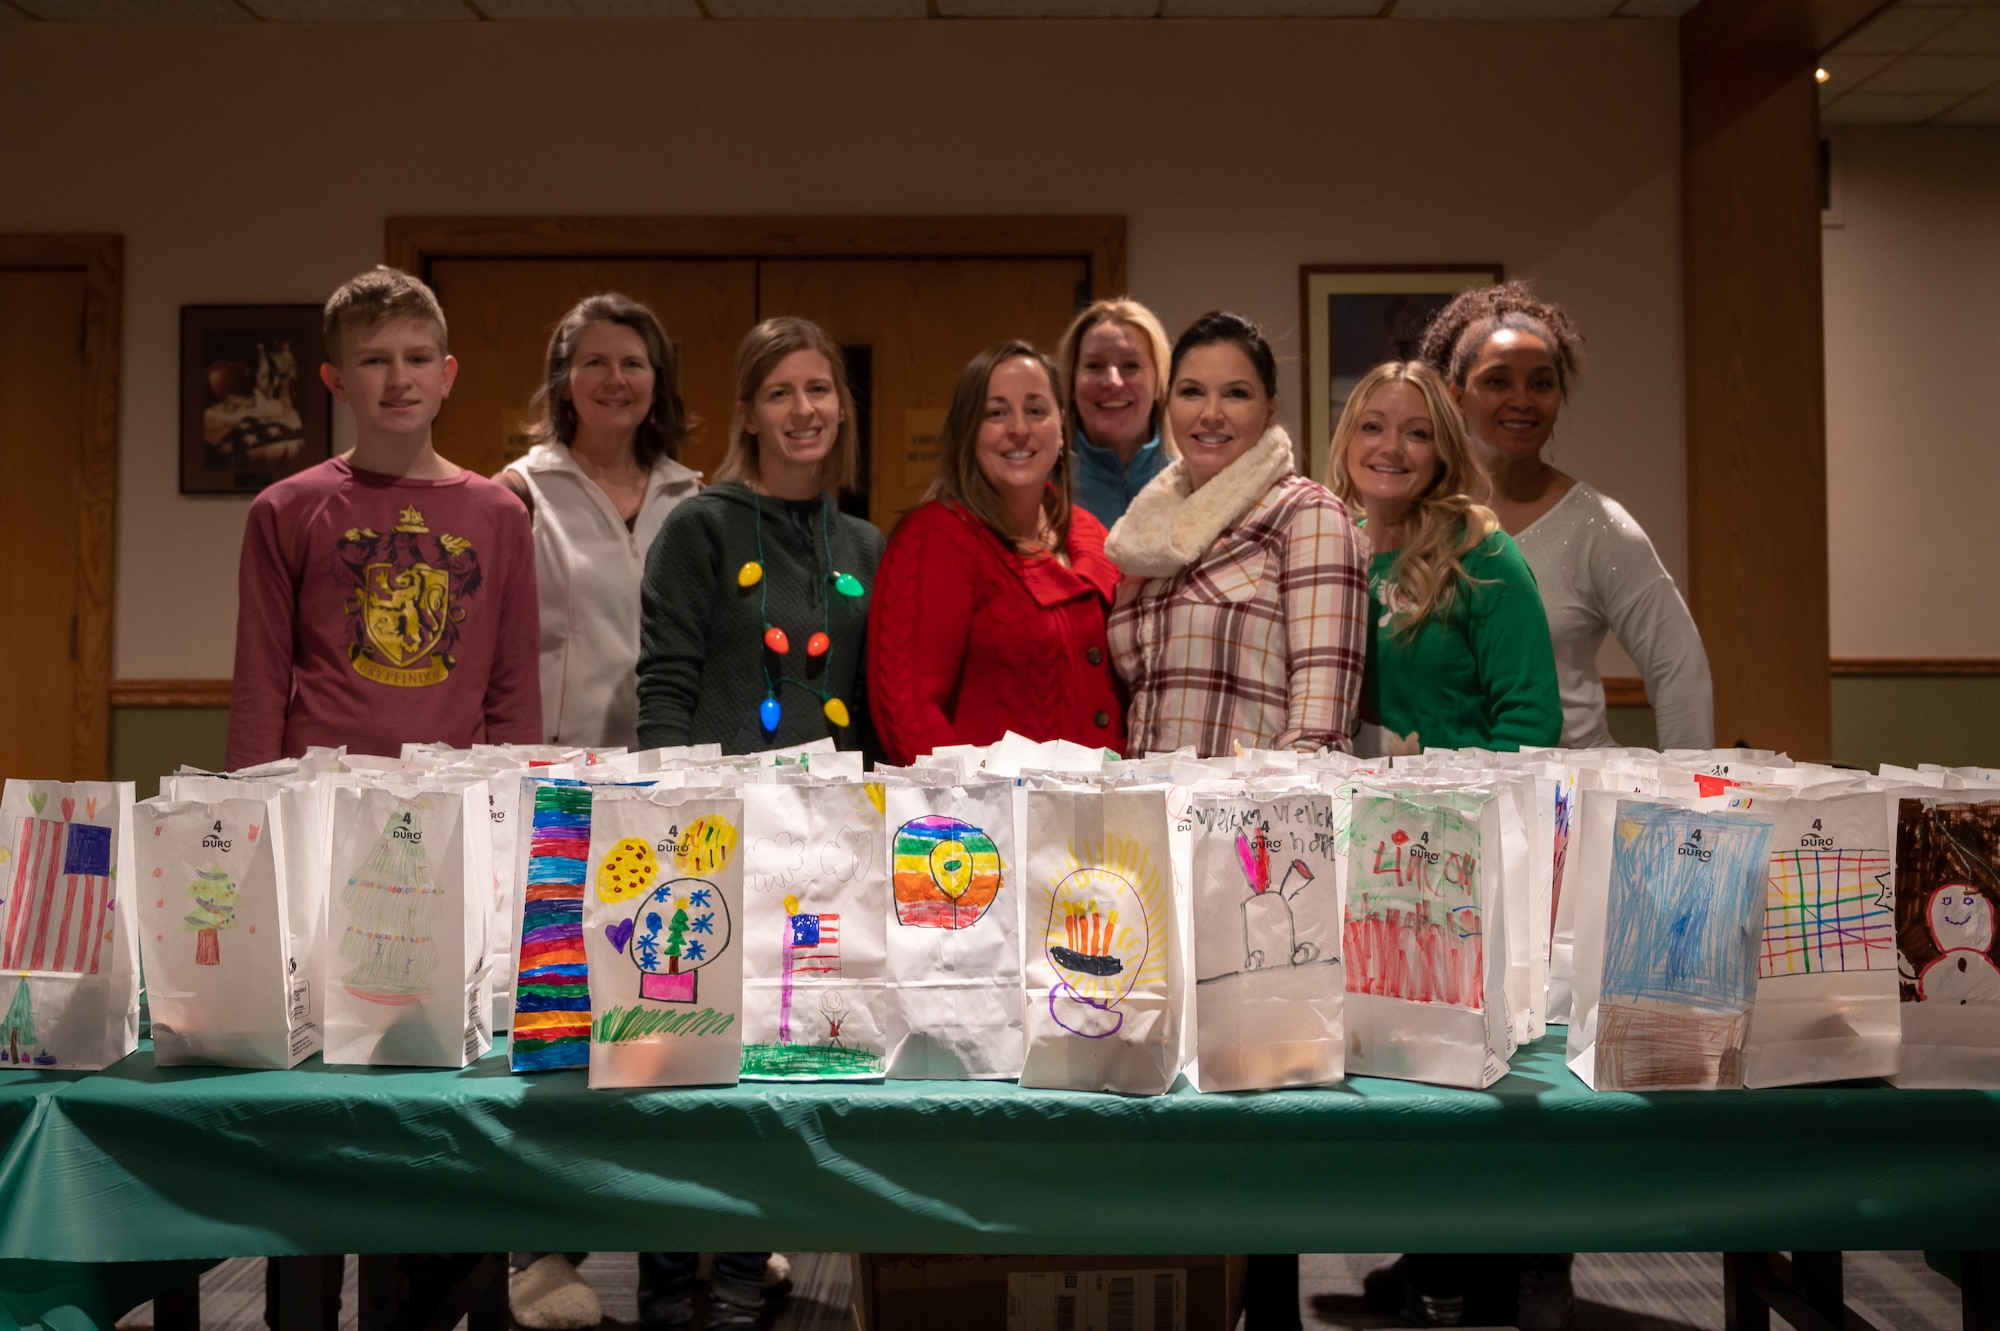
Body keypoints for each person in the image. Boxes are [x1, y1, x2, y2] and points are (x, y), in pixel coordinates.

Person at [227, 266, 539, 769]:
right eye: (374, 360)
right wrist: (243, 806)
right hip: (319, 792)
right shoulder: (285, 509)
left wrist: (522, 804)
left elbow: (515, 692)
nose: (399, 379)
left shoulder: (502, 515)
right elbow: (259, 687)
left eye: (417, 358)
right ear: (336, 381)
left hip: (460, 792)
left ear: (446, 375)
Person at [1416, 281, 1712, 749]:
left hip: (1568, 805)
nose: (1522, 399)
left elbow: (1678, 668)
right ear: (1455, 395)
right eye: (1497, 381)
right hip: (1445, 804)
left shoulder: (1599, 526)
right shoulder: (1414, 520)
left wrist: (1685, 800)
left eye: (1541, 383)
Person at [1106, 311, 1367, 758]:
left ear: (1269, 408)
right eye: (1191, 392)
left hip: (1245, 820)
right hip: (1147, 812)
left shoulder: (1305, 515)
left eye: (1236, 394)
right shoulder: (1147, 532)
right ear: (1168, 403)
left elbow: (1318, 731)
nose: (1210, 414)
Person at [637, 317, 882, 759]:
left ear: (842, 407)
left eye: (818, 389)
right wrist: (671, 807)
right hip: (722, 813)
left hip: (837, 812)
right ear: (748, 416)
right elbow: (664, 694)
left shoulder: (865, 545)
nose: (804, 409)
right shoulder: (700, 527)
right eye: (779, 394)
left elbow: (868, 711)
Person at [869, 340, 1124, 765]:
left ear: (1062, 426)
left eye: (1036, 409)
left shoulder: (1092, 533)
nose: (1019, 429)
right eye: (996, 413)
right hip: (993, 822)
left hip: (1110, 823)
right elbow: (906, 712)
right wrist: (976, 820)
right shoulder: (935, 537)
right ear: (967, 432)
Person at [499, 293, 702, 748]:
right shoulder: (520, 493)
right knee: (559, 827)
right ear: (565, 383)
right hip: (557, 768)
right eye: (595, 363)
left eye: (633, 363)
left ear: (656, 383)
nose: (615, 379)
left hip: (668, 761)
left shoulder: (693, 501)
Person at [1327, 359, 1560, 755]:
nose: (1390, 448)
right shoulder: (1333, 555)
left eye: (1417, 433)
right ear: (1347, 439)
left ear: (1442, 452)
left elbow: (1531, 719)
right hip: (1347, 806)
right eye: (1372, 427)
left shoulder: (1484, 555)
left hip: (1459, 812)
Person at [1055, 297, 1175, 527]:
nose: (1112, 381)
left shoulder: (1193, 484)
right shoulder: (1042, 490)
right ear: (1071, 383)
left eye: (1131, 365)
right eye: (1094, 365)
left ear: (1159, 382)